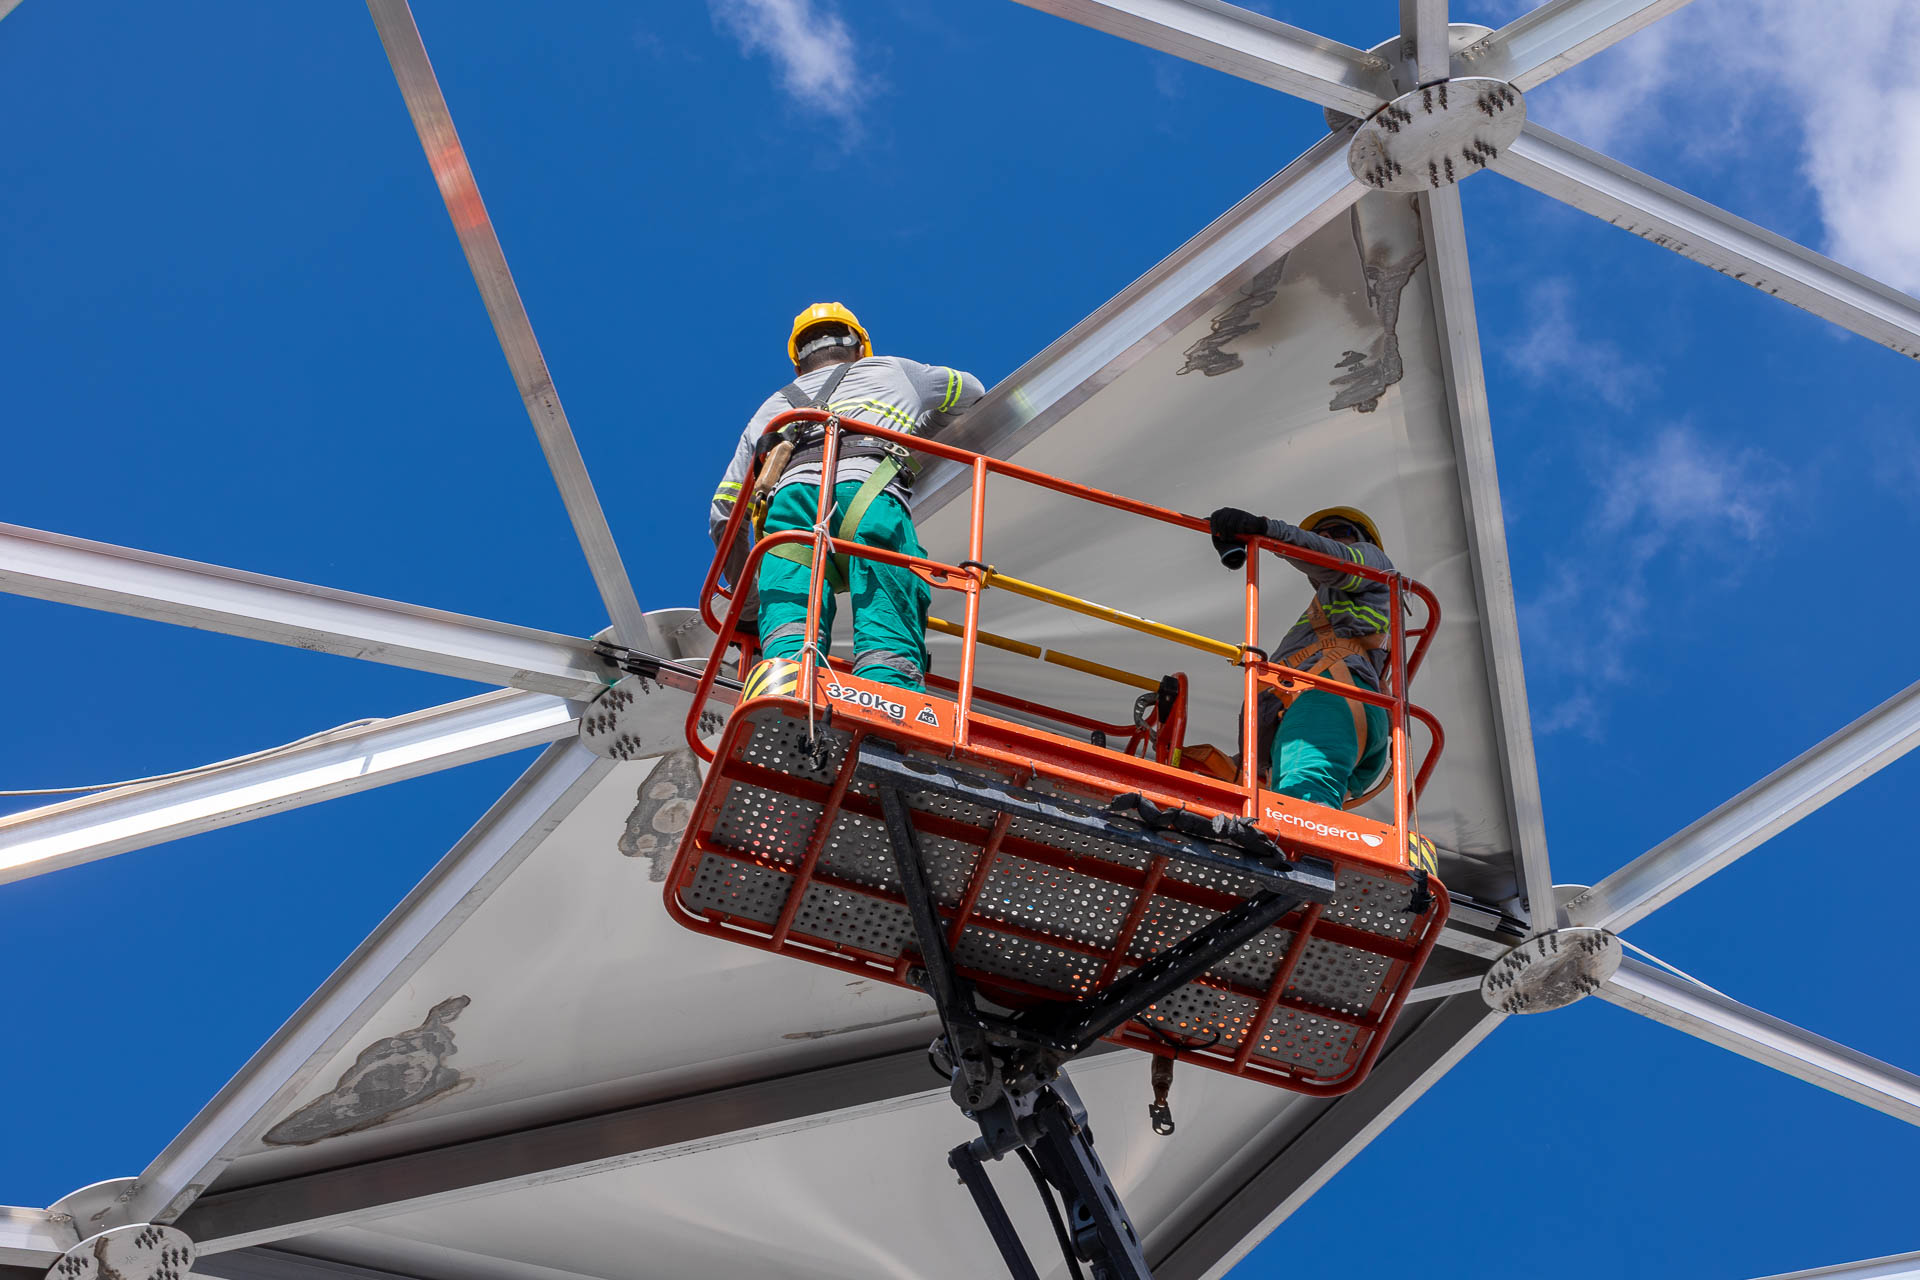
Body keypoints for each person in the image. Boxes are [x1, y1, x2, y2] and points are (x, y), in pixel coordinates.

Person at [710, 302, 984, 692]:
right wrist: (912, 437)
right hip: (869, 492)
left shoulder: (770, 409)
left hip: (792, 505)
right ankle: (889, 700)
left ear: (798, 364)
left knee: (790, 617)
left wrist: (749, 605)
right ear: (860, 348)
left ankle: (787, 690)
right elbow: (971, 391)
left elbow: (724, 513)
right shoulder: (892, 369)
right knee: (885, 602)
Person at [1207, 505, 1393, 810]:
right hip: (1331, 712)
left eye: (1341, 532)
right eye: (1318, 536)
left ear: (1364, 541)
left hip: (1332, 697)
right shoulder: (1326, 613)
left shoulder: (1375, 564)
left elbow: (1340, 561)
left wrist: (1266, 530)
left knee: (1302, 810)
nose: (1328, 539)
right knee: (1292, 807)